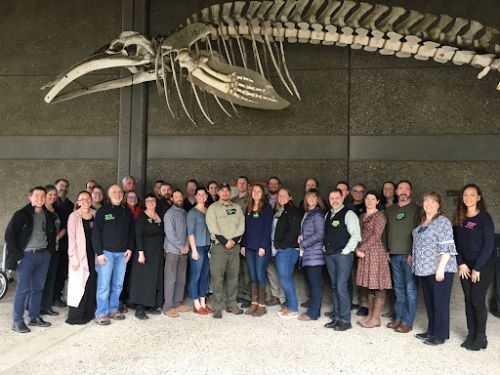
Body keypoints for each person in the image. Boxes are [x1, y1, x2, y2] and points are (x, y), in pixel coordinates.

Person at [6, 186, 56, 333]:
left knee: (38, 288)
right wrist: (18, 257)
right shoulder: (21, 214)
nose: (40, 198)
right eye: (36, 196)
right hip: (26, 256)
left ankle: (34, 317)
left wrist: (49, 252)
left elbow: (51, 234)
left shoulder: (48, 214)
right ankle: (17, 321)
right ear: (30, 198)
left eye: (42, 196)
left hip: (43, 255)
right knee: (23, 289)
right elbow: (9, 236)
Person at [453, 184, 495, 351]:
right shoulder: (459, 218)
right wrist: (461, 263)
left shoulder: (485, 218)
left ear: (478, 197)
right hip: (465, 266)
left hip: (482, 265)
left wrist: (477, 267)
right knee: (468, 299)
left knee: (477, 300)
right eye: (465, 195)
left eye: (472, 195)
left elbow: (489, 245)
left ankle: (481, 336)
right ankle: (471, 333)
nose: (468, 198)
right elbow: (454, 244)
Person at [412, 192, 457, 345]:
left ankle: (440, 335)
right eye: (426, 201)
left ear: (439, 205)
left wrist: (441, 268)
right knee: (430, 302)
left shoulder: (442, 221)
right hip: (425, 270)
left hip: (440, 269)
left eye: (433, 202)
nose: (429, 204)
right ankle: (431, 330)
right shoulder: (423, 221)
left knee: (440, 302)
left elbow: (448, 246)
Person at [92, 184, 134, 325]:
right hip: (106, 254)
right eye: (114, 192)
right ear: (109, 195)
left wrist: (130, 248)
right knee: (104, 285)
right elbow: (96, 233)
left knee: (118, 285)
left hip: (122, 254)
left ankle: (113, 309)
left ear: (123, 194)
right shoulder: (103, 211)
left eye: (119, 192)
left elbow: (131, 232)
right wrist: (99, 253)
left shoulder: (126, 211)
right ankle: (101, 313)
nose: (117, 194)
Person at [323, 188, 361, 331]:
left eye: (337, 198)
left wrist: (346, 251)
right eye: (331, 198)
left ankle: (345, 320)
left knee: (341, 287)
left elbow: (356, 235)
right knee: (334, 287)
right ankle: (337, 318)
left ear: (342, 198)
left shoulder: (349, 214)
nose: (334, 200)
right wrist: (324, 247)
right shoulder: (328, 214)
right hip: (330, 255)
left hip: (343, 256)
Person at [206, 182, 245, 318]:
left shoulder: (237, 208)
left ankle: (232, 304)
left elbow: (241, 226)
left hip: (234, 248)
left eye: (227, 191)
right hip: (219, 248)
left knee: (233, 277)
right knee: (217, 277)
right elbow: (213, 227)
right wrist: (225, 241)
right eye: (222, 191)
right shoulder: (213, 208)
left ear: (230, 192)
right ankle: (217, 306)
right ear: (218, 193)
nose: (225, 193)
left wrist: (233, 241)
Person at [385, 180, 420, 333]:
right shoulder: (390, 210)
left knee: (410, 289)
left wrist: (413, 252)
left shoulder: (417, 210)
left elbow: (420, 233)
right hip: (393, 254)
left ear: (410, 192)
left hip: (409, 256)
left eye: (407, 188)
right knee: (398, 289)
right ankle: (398, 318)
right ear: (396, 192)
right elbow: (385, 232)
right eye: (400, 188)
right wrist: (386, 249)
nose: (403, 191)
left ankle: (407, 321)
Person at [355, 191, 392, 328]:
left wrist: (361, 249)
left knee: (378, 285)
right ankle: (370, 316)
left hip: (376, 253)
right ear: (364, 200)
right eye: (367, 198)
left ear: (377, 201)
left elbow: (376, 236)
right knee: (370, 285)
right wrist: (357, 249)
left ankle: (375, 318)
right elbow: (357, 234)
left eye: (373, 199)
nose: (369, 201)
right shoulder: (362, 216)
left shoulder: (380, 216)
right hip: (364, 253)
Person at [129, 194, 164, 319]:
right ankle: (140, 308)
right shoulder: (141, 217)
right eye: (148, 201)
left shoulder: (158, 216)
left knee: (154, 279)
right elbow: (138, 236)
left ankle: (151, 305)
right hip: (144, 253)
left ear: (155, 202)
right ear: (145, 203)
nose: (151, 202)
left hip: (157, 253)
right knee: (143, 280)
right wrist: (141, 253)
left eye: (153, 200)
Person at [241, 183, 273, 317]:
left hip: (261, 248)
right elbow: (245, 228)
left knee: (260, 275)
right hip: (249, 247)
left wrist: (263, 246)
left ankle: (262, 305)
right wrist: (243, 244)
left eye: (258, 191)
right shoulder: (248, 207)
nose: (256, 193)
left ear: (262, 193)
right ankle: (254, 303)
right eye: (254, 191)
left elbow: (267, 229)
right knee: (252, 275)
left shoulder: (267, 208)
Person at [66, 191, 97, 325]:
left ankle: (89, 312)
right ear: (78, 202)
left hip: (94, 254)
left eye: (87, 198)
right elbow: (71, 237)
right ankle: (76, 316)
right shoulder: (74, 216)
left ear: (91, 200)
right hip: (79, 255)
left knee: (91, 283)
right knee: (79, 285)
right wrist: (73, 256)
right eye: (82, 199)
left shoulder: (96, 215)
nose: (85, 201)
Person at [273, 188, 302, 319]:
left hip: (288, 250)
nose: (281, 197)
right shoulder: (282, 210)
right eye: (279, 195)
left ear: (290, 197)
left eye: (284, 195)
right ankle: (290, 305)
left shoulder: (292, 210)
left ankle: (293, 308)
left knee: (285, 279)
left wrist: (282, 245)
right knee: (286, 278)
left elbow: (294, 230)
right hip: (284, 249)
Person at [163, 190, 191, 317]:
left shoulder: (185, 213)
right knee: (171, 279)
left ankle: (178, 303)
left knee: (181, 279)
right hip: (172, 251)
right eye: (176, 197)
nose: (179, 198)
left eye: (180, 196)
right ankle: (168, 306)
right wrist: (182, 247)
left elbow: (188, 232)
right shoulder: (169, 214)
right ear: (172, 199)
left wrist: (187, 246)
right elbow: (170, 234)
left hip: (183, 251)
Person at [298, 189, 325, 321]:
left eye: (315, 197)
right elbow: (309, 231)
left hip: (315, 255)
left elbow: (320, 235)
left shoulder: (317, 214)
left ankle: (313, 313)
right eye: (309, 196)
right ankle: (315, 311)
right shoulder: (308, 213)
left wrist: (304, 243)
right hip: (309, 254)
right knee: (313, 284)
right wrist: (301, 236)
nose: (312, 199)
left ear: (318, 199)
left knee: (315, 285)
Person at [40, 185, 66, 316]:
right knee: (40, 279)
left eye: (55, 195)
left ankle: (47, 306)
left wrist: (56, 238)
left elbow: (64, 227)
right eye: (50, 194)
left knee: (51, 278)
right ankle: (36, 306)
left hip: (54, 249)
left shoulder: (58, 210)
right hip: (42, 250)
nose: (53, 197)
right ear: (44, 195)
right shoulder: (40, 210)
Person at [187, 187, 212, 314]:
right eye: (199, 194)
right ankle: (196, 305)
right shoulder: (192, 213)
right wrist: (194, 250)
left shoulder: (209, 211)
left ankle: (203, 303)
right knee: (195, 276)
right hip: (197, 248)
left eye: (204, 194)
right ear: (195, 197)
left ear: (206, 196)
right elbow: (190, 233)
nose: (202, 196)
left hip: (207, 248)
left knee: (205, 276)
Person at [53, 178, 73, 308]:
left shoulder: (70, 205)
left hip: (66, 244)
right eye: (61, 186)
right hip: (52, 243)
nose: (63, 188)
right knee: (51, 272)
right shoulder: (50, 203)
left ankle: (56, 296)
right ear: (56, 187)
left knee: (62, 273)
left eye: (66, 186)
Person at [266, 176, 286, 306]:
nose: (273, 185)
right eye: (270, 183)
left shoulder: (288, 208)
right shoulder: (264, 201)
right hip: (268, 243)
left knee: (283, 272)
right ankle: (275, 295)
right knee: (271, 272)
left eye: (275, 184)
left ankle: (284, 298)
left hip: (282, 246)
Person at [232, 176, 252, 308]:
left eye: (244, 183)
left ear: (248, 185)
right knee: (236, 269)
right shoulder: (232, 201)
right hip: (233, 239)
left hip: (246, 238)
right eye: (239, 183)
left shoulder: (251, 199)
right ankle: (239, 293)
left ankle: (248, 296)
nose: (241, 185)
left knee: (246, 269)